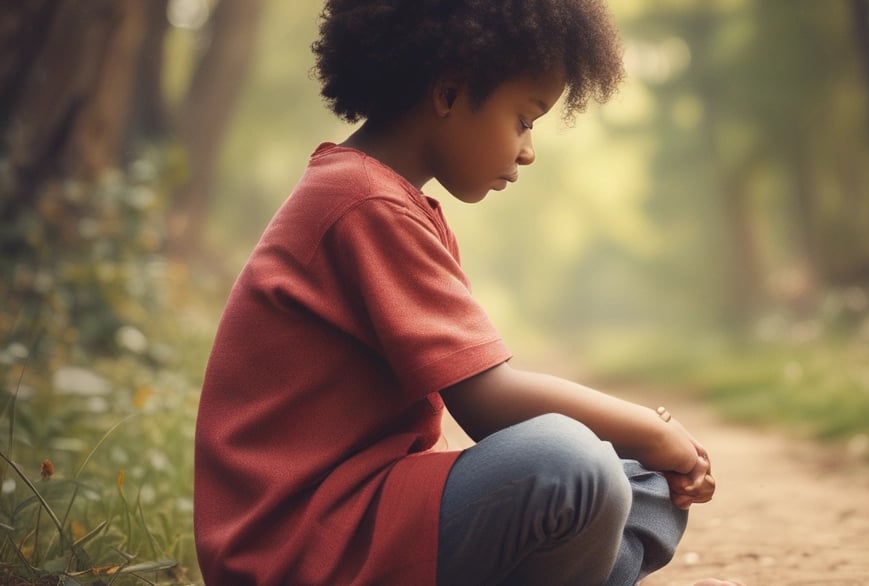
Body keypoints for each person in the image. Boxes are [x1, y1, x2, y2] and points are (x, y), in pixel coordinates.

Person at [194, 1, 734, 585]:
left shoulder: (387, 199)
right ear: (449, 93)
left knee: (643, 482)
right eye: (525, 120)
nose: (528, 150)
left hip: (366, 517)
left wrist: (648, 449)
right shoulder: (361, 203)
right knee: (576, 466)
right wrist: (652, 430)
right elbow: (485, 401)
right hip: (303, 549)